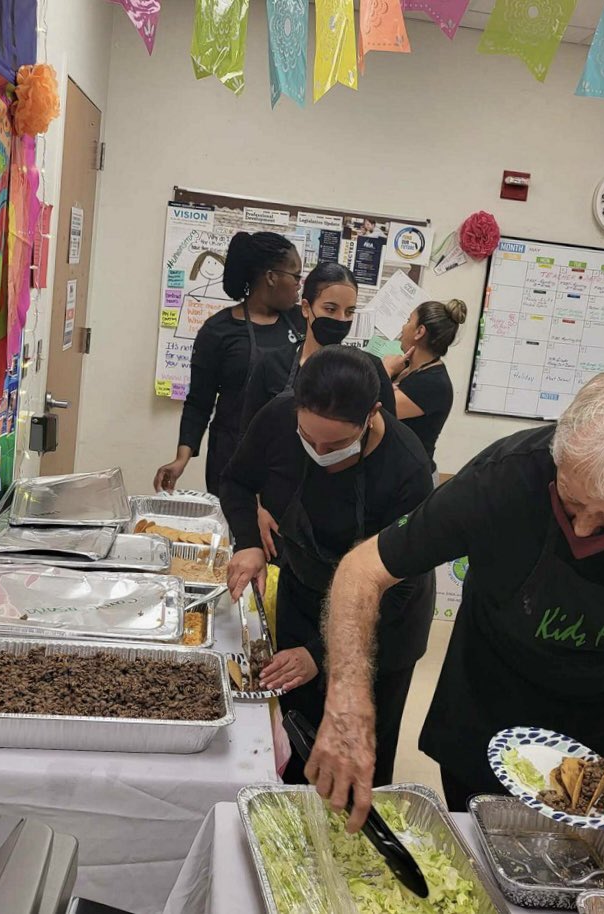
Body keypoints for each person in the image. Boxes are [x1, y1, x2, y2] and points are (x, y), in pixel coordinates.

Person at [304, 368, 604, 833]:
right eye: (570, 504)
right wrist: (348, 701)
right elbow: (362, 570)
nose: (584, 531)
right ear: (559, 449)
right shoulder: (505, 477)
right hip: (485, 720)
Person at [220, 347, 435, 785]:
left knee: (356, 758)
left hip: (384, 620)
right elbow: (237, 481)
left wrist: (322, 654)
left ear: (372, 414)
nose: (319, 451)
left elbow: (401, 587)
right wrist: (248, 544)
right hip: (305, 590)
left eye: (335, 445)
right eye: (308, 438)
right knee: (297, 739)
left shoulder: (407, 470)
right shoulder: (279, 417)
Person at [240, 263, 396, 561]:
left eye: (349, 312)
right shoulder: (272, 366)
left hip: (345, 523)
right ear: (306, 307)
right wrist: (255, 510)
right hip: (277, 522)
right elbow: (247, 446)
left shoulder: (370, 372)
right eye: (331, 308)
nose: (340, 319)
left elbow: (386, 451)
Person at [153, 232, 305, 496]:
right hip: (232, 457)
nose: (298, 285)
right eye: (295, 276)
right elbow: (199, 402)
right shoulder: (218, 331)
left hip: (288, 457)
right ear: (271, 277)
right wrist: (181, 459)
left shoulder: (303, 323)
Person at [383, 299, 467, 482]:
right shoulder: (408, 369)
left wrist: (385, 370)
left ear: (419, 332)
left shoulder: (433, 383)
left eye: (408, 320)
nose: (403, 327)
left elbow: (372, 408)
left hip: (411, 479)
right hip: (395, 473)